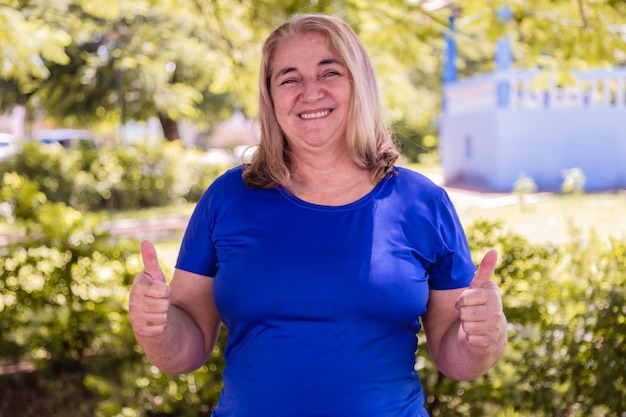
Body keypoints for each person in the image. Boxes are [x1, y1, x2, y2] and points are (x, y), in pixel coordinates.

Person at [129, 13, 507, 417]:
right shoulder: (227, 197)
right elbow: (184, 352)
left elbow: (456, 359)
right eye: (289, 79)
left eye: (329, 72)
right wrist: (157, 326)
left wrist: (484, 336)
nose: (310, 92)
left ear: (358, 83)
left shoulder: (422, 202)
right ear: (270, 97)